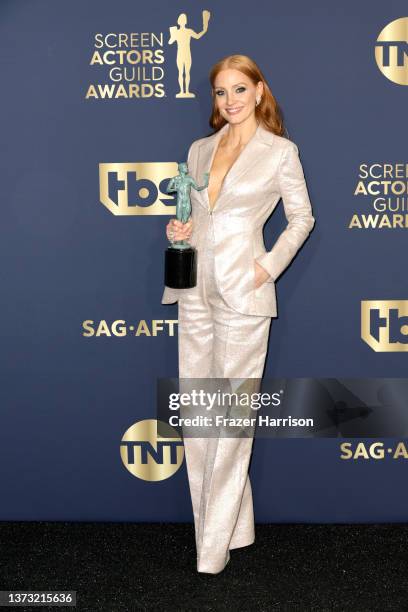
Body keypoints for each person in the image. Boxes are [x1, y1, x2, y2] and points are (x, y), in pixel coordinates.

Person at [161, 54, 315, 574]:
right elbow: (194, 214)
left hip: (244, 295)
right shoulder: (199, 149)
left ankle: (211, 545)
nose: (229, 101)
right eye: (221, 92)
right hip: (193, 290)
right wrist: (179, 231)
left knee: (230, 420)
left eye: (238, 90)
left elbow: (301, 219)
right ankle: (234, 525)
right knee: (201, 416)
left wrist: (266, 268)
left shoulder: (279, 152)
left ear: (258, 91)